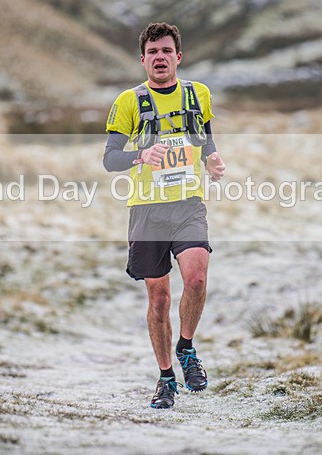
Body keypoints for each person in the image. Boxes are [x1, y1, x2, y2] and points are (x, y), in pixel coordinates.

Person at [103, 22, 226, 409]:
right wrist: (141, 154)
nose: (159, 58)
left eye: (166, 51)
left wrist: (213, 158)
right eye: (152, 52)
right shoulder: (128, 102)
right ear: (143, 60)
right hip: (147, 210)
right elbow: (109, 159)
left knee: (197, 276)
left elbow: (203, 136)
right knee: (158, 300)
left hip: (188, 204)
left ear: (178, 57)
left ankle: (186, 348)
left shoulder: (198, 94)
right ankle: (166, 377)